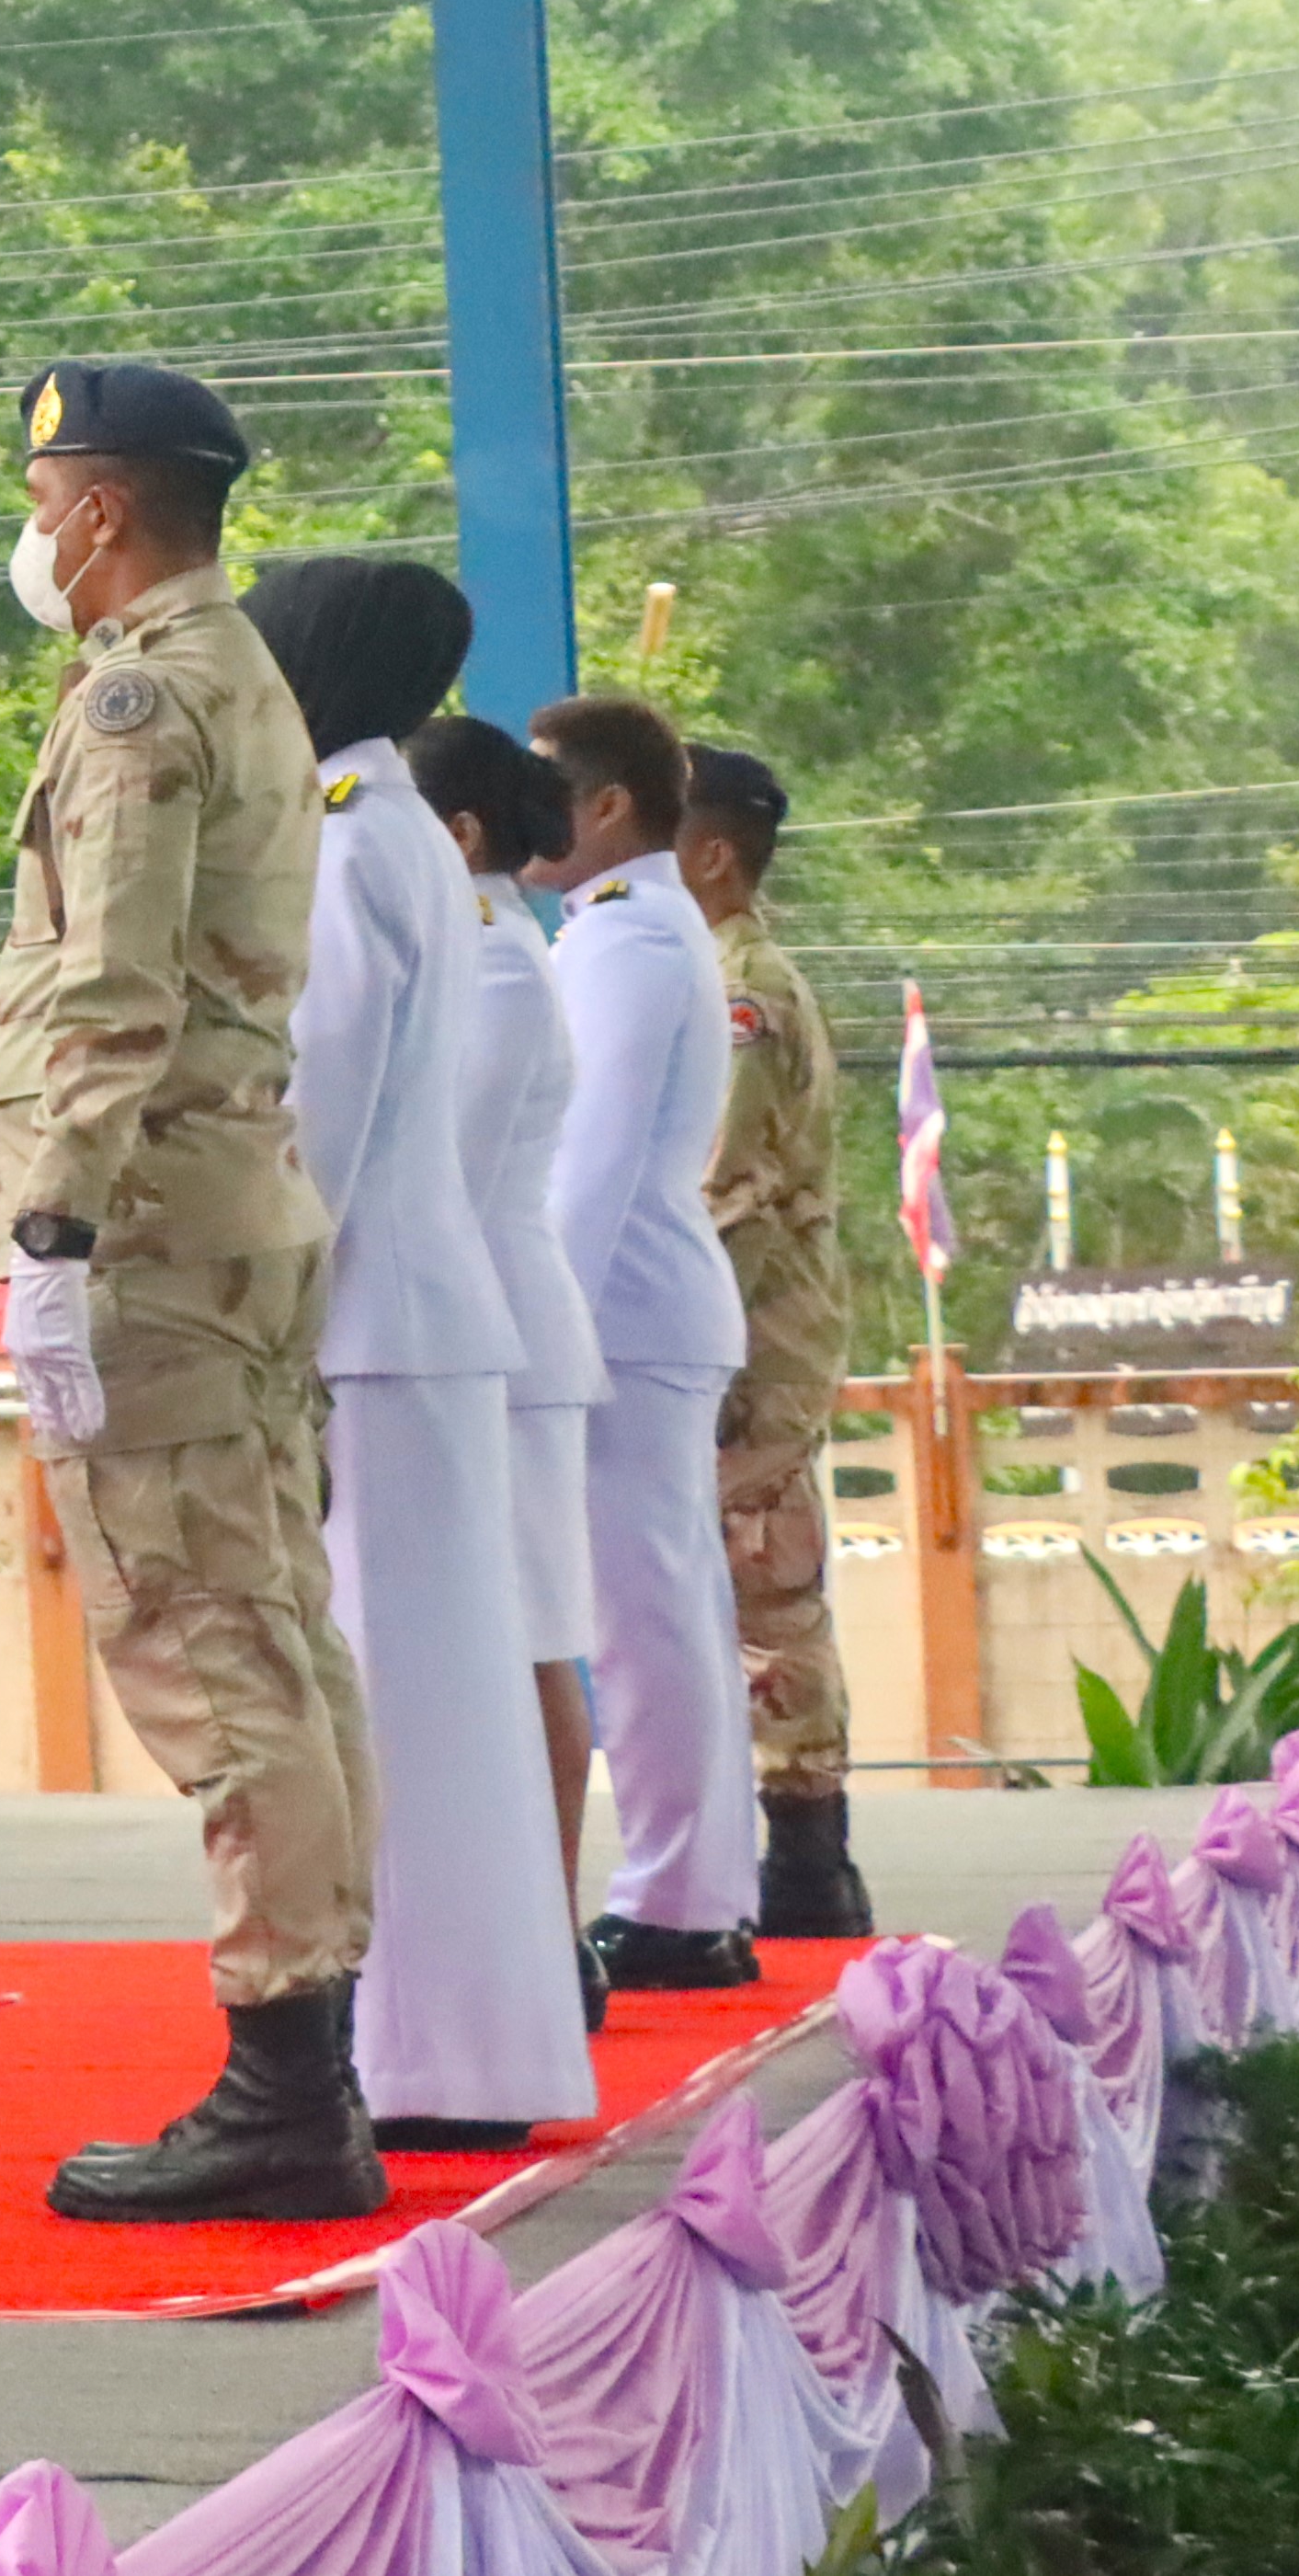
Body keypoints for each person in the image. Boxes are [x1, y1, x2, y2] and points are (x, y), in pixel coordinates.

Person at [0, 360, 383, 2227]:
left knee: (214, 1655)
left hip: (147, 1228)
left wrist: (50, 1230)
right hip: (238, 1209)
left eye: (38, 498)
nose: (31, 532)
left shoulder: (138, 695)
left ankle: (284, 2089)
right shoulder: (247, 675)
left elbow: (111, 986)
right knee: (279, 1636)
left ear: (98, 512)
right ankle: (313, 2067)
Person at [249, 558, 590, 2152]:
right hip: (423, 1309)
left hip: (376, 1314)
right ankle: (472, 2048)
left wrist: (262, 1285)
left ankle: (427, 2057)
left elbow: (316, 1102)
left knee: (401, 1705)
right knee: (448, 1701)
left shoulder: (340, 837)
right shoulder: (387, 824)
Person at [526, 693, 762, 1992]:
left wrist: (539, 1327)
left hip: (616, 1310)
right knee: (661, 1612)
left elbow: (591, 1157)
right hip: (634, 1309)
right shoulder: (621, 925)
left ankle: (678, 1900)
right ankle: (694, 1891)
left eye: (544, 788)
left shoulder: (624, 937)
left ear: (608, 804)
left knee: (643, 1620)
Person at [409, 714, 611, 2032]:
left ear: (462, 833)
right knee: (511, 1636)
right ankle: (529, 1927)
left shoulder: (488, 963)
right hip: (493, 1326)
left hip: (499, 1334)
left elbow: (451, 1169)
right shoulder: (484, 947)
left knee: (530, 1638)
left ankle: (547, 1927)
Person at [679, 747, 872, 1938]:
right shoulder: (712, 974)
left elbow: (721, 1180)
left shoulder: (738, 993)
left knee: (765, 1574)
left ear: (711, 856)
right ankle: (774, 1845)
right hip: (738, 1313)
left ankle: (807, 1851)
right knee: (724, 1579)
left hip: (753, 1321)